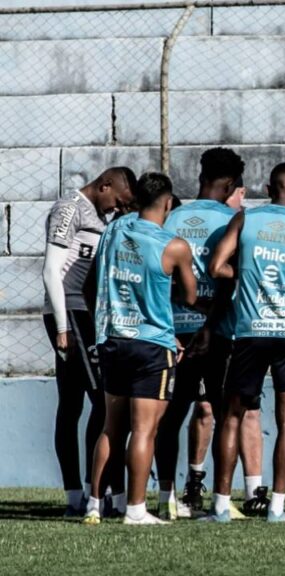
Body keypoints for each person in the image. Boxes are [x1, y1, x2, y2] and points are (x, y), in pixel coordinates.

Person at [206, 163, 285, 523]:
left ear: (267, 189)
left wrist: (249, 274)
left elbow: (216, 267)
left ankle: (221, 505)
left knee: (231, 416)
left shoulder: (246, 219)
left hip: (252, 331)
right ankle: (277, 507)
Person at [154, 148, 266, 520]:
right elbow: (232, 279)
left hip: (174, 331)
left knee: (171, 416)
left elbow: (161, 276)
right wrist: (208, 323)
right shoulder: (234, 220)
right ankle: (221, 500)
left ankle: (166, 499)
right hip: (220, 331)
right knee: (226, 416)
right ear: (231, 184)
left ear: (201, 176)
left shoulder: (171, 218)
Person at [84, 172, 198, 525]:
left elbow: (94, 280)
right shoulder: (174, 246)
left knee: (111, 426)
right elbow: (191, 296)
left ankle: (93, 504)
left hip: (114, 338)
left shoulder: (115, 231)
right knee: (144, 430)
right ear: (168, 203)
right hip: (152, 344)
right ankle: (135, 509)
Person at [42, 167, 136, 516]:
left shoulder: (102, 216)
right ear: (105, 185)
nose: (116, 209)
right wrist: (63, 326)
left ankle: (80, 495)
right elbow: (51, 270)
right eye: (118, 202)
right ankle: (92, 492)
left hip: (89, 313)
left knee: (73, 402)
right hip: (72, 312)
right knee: (102, 399)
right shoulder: (70, 208)